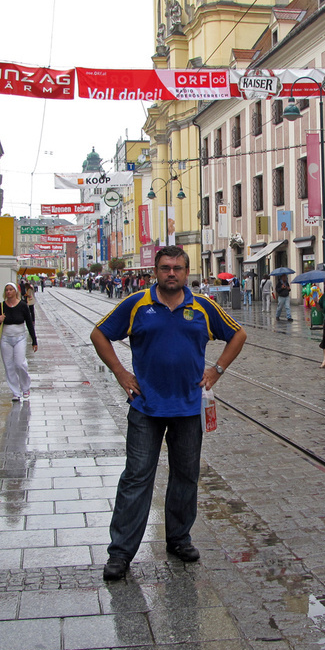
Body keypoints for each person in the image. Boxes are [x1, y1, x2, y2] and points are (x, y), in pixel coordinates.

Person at [90, 246, 247, 581]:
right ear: (155, 272)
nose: (171, 273)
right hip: (146, 406)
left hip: (189, 408)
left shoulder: (203, 307)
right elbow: (99, 333)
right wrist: (120, 372)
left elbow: (238, 335)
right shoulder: (136, 304)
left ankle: (178, 538)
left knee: (185, 476)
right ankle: (120, 553)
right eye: (164, 268)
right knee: (136, 478)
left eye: (177, 268)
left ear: (186, 271)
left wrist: (217, 370)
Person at [0, 282, 38, 402]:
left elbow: (29, 322)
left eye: (11, 290)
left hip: (20, 337)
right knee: (9, 366)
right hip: (6, 339)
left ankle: (25, 387)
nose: (8, 292)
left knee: (19, 363)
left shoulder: (22, 305)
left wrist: (34, 340)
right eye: (6, 290)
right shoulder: (1, 306)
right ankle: (15, 392)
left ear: (15, 292)